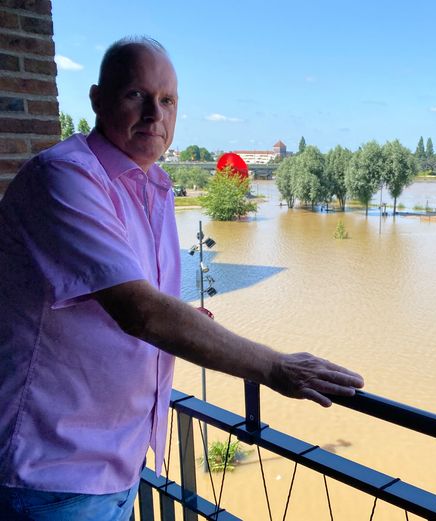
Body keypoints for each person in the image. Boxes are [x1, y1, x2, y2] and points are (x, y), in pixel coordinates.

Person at [0, 37, 364, 520]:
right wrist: (277, 368)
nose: (155, 113)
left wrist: (187, 322)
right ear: (96, 100)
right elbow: (141, 312)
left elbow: (139, 301)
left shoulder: (153, 185)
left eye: (167, 100)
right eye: (136, 95)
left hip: (119, 462)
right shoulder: (64, 177)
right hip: (53, 473)